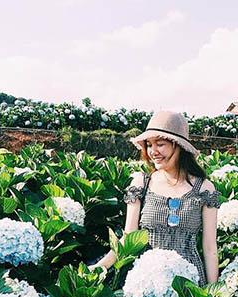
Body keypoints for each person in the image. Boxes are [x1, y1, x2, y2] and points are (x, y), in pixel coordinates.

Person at [92, 110, 220, 286]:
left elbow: (210, 248)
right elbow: (129, 235)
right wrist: (100, 268)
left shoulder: (204, 188)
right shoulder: (142, 182)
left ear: (179, 146)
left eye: (160, 144)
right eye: (149, 145)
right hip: (147, 279)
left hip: (189, 282)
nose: (153, 152)